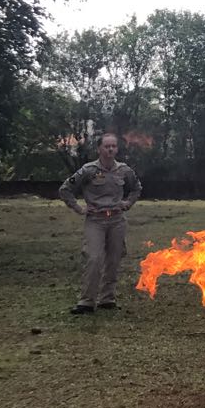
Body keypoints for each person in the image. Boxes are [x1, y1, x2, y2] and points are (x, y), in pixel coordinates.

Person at [59, 132, 142, 314]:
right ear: (99, 149)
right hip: (95, 220)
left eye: (113, 146)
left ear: (117, 149)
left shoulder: (124, 170)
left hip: (117, 220)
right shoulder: (88, 170)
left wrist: (128, 203)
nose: (110, 149)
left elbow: (136, 188)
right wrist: (79, 208)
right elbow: (65, 189)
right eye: (107, 146)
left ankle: (107, 299)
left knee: (113, 259)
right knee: (94, 258)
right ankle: (86, 301)